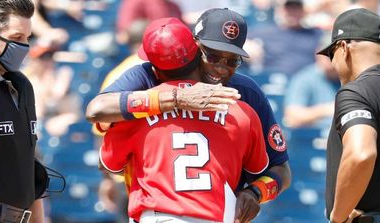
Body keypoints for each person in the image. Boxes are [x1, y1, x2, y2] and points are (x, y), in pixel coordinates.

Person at [86, 8, 291, 221]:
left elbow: (282, 170)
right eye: (213, 55)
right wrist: (177, 98)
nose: (221, 68)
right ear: (193, 47)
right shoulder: (150, 75)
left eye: (232, 61)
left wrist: (256, 192)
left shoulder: (245, 93)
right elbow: (96, 109)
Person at [317, 8, 380, 223]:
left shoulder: (357, 91)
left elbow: (361, 154)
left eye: (331, 55)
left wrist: (338, 217)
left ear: (343, 48)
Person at [0, 0, 45, 222]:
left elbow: (29, 163)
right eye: (16, 38)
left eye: (28, 38)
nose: (24, 47)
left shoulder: (22, 85)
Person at [283, 33, 340, 129]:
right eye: (327, 53)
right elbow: (291, 118)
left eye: (334, 53)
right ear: (317, 52)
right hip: (313, 139)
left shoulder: (352, 77)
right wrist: (326, 110)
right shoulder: (304, 78)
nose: (330, 57)